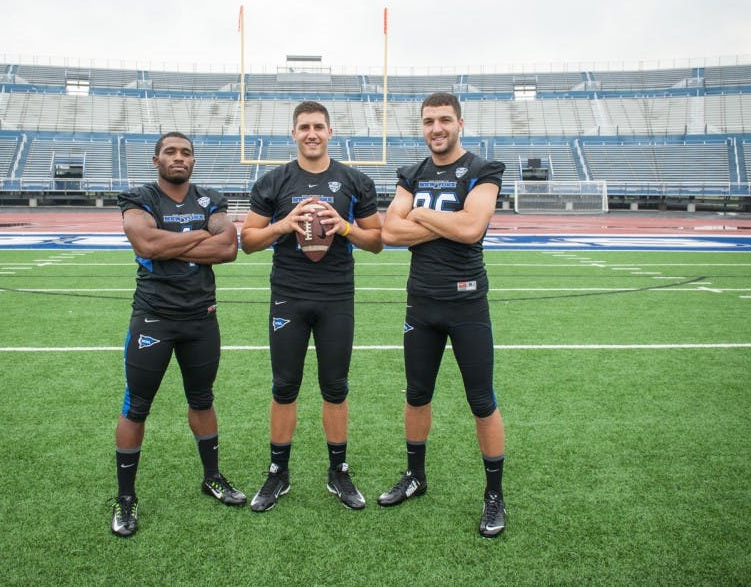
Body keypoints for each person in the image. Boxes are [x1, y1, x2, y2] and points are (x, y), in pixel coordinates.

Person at [240, 100, 383, 512]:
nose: (312, 134)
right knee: (284, 386)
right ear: (294, 133)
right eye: (304, 127)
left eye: (318, 126)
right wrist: (285, 224)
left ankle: (338, 470)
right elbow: (247, 241)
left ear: (330, 132)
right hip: (288, 293)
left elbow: (377, 241)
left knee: (335, 387)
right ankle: (277, 473)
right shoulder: (274, 181)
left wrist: (346, 228)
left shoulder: (354, 181)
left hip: (336, 295)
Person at [377, 92, 508, 538]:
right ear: (422, 125)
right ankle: (416, 475)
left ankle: (494, 495)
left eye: (445, 120)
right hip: (422, 303)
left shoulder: (482, 169)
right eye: (430, 120)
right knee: (416, 395)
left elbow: (473, 229)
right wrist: (443, 217)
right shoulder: (412, 173)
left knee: (481, 400)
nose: (437, 127)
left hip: (467, 304)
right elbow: (388, 232)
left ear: (460, 123)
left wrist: (418, 213)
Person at [109, 132, 246, 538]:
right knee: (137, 406)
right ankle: (126, 497)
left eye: (186, 152)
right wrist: (198, 237)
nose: (179, 158)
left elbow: (228, 249)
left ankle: (212, 477)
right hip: (154, 317)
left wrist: (173, 244)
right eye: (171, 151)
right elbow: (147, 243)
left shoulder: (210, 199)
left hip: (201, 318)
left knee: (202, 399)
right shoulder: (140, 197)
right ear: (156, 159)